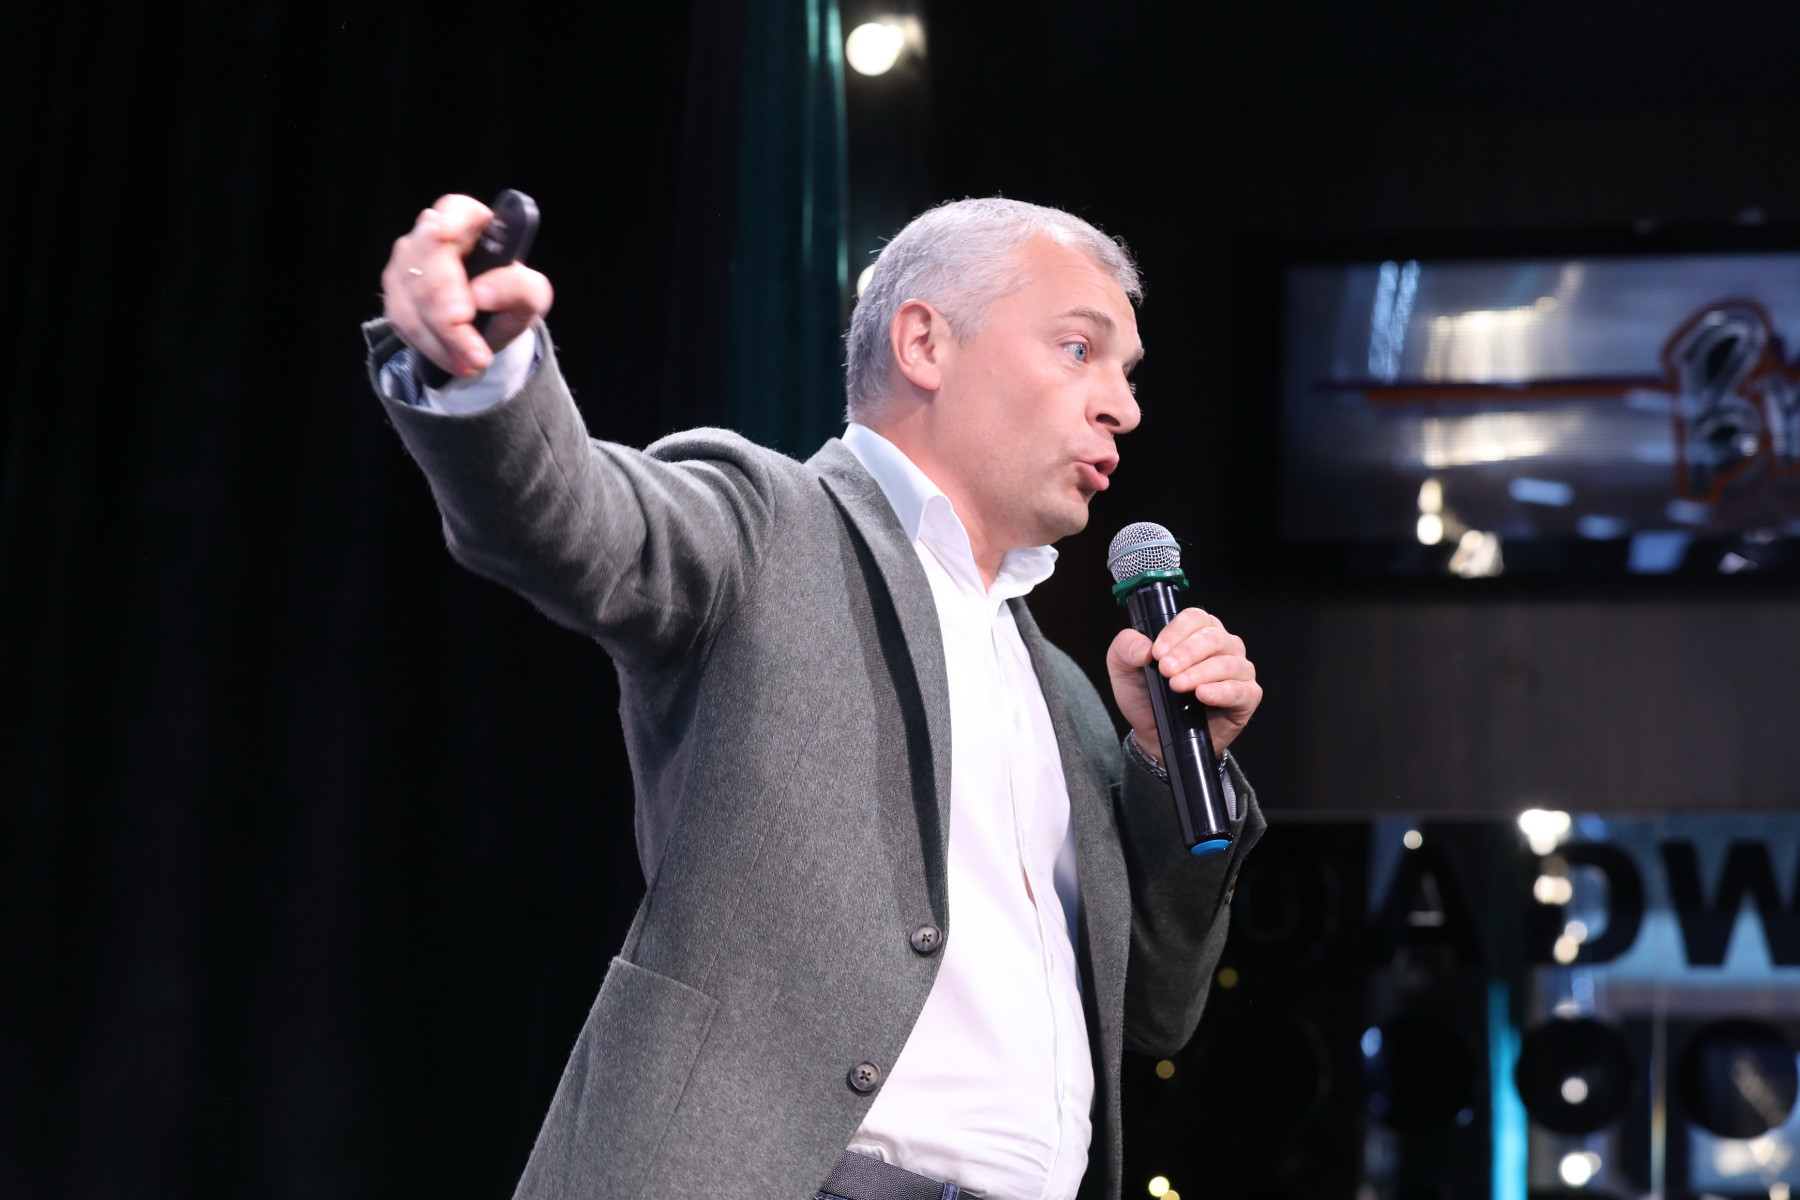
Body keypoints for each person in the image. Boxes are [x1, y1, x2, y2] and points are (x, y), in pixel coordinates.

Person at [366, 194, 1264, 1200]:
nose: (1121, 408)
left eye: (1127, 374)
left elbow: (1158, 1013)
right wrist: (481, 372)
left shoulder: (1069, 696)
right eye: (1078, 349)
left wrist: (1170, 762)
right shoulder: (767, 525)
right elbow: (572, 519)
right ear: (924, 343)